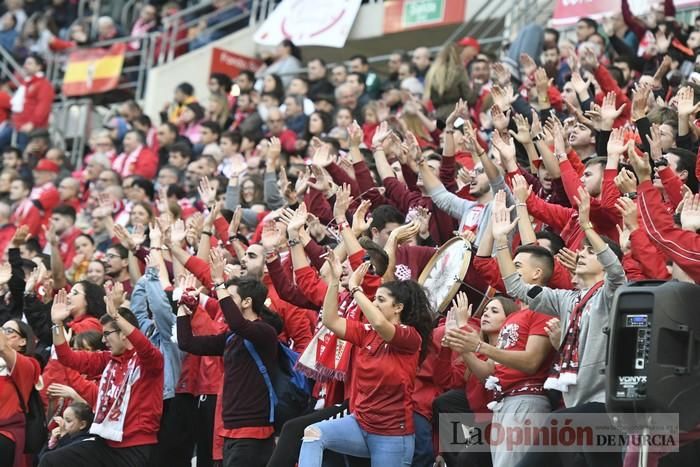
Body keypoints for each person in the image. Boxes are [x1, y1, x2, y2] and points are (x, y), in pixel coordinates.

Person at [298, 249, 433, 466]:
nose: (375, 303)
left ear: (398, 307)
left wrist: (355, 288)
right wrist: (334, 282)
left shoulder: (410, 336)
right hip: (360, 424)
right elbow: (331, 320)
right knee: (313, 434)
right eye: (375, 299)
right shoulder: (366, 332)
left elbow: (381, 324)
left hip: (392, 436)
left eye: (380, 299)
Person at [177, 249, 283, 467]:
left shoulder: (265, 332)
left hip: (254, 432)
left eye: (229, 297)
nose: (222, 300)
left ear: (246, 302)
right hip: (230, 431)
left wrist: (218, 282)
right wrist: (183, 308)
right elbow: (187, 343)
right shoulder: (231, 337)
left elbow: (238, 323)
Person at [41, 289, 164, 467]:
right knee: (50, 460)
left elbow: (144, 347)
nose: (103, 340)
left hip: (134, 448)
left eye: (107, 334)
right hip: (103, 442)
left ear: (123, 333)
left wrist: (117, 316)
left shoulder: (150, 362)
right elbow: (67, 357)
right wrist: (57, 324)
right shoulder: (107, 359)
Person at [0, 318, 41, 467]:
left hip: (6, 434)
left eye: (9, 331)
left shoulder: (30, 364)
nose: (3, 333)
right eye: (2, 329)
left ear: (23, 342)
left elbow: (3, 348)